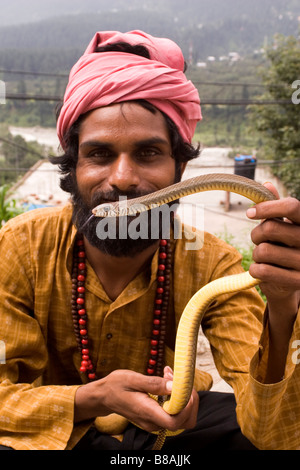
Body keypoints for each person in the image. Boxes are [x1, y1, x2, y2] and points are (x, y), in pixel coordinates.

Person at [0, 30, 299, 451]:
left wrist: (284, 306)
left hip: (159, 439)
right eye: (100, 155)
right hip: (54, 434)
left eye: (148, 153)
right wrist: (95, 398)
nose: (122, 179)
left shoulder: (215, 265)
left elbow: (275, 435)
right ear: (73, 167)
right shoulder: (18, 248)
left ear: (179, 169)